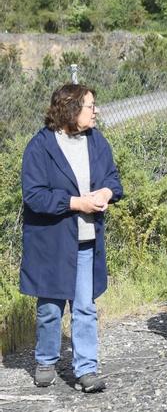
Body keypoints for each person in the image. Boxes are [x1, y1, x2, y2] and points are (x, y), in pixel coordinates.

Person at [20, 83, 123, 392]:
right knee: (50, 308)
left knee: (84, 307)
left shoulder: (96, 141)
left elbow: (113, 180)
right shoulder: (40, 146)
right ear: (71, 109)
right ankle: (46, 360)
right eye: (91, 106)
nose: (96, 111)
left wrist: (106, 192)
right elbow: (34, 195)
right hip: (51, 242)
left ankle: (87, 369)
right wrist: (76, 203)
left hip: (86, 240)